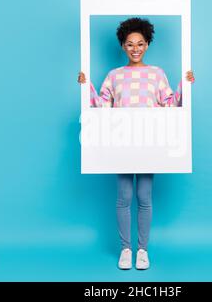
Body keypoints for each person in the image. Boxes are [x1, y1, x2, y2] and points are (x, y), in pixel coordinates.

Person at [77, 17, 195, 270]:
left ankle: (142, 250)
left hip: (148, 142)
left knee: (144, 196)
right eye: (130, 44)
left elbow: (170, 103)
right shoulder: (114, 76)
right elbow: (102, 107)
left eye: (140, 43)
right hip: (122, 143)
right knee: (124, 196)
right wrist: (85, 86)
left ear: (147, 44)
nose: (135, 48)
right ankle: (125, 250)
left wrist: (186, 84)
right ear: (122, 45)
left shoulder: (156, 74)